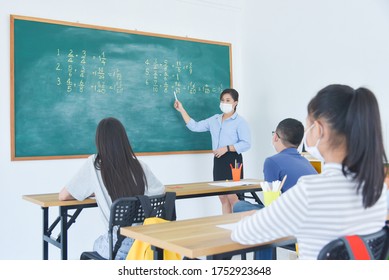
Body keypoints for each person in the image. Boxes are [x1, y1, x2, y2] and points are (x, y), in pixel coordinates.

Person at [231, 84, 388, 259]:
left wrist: (254, 216)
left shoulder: (310, 191)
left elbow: (242, 234)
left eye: (308, 127)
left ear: (319, 129)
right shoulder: (377, 190)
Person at [58, 117, 165, 259]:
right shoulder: (139, 166)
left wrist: (95, 191)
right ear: (124, 140)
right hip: (147, 245)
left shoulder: (94, 164)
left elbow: (63, 196)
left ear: (99, 141)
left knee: (96, 244)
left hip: (118, 248)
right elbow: (161, 191)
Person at [233, 118, 318, 259]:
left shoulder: (272, 161)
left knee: (240, 206)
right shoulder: (305, 162)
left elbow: (271, 204)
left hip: (292, 225)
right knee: (258, 216)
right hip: (311, 223)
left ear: (275, 137)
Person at [174, 88, 251, 214]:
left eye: (228, 100)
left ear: (235, 103)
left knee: (233, 197)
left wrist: (226, 148)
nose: (224, 103)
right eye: (222, 100)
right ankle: (228, 227)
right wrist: (182, 110)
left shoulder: (240, 122)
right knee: (222, 197)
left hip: (233, 160)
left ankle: (240, 229)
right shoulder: (214, 120)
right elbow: (195, 126)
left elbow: (246, 144)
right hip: (219, 160)